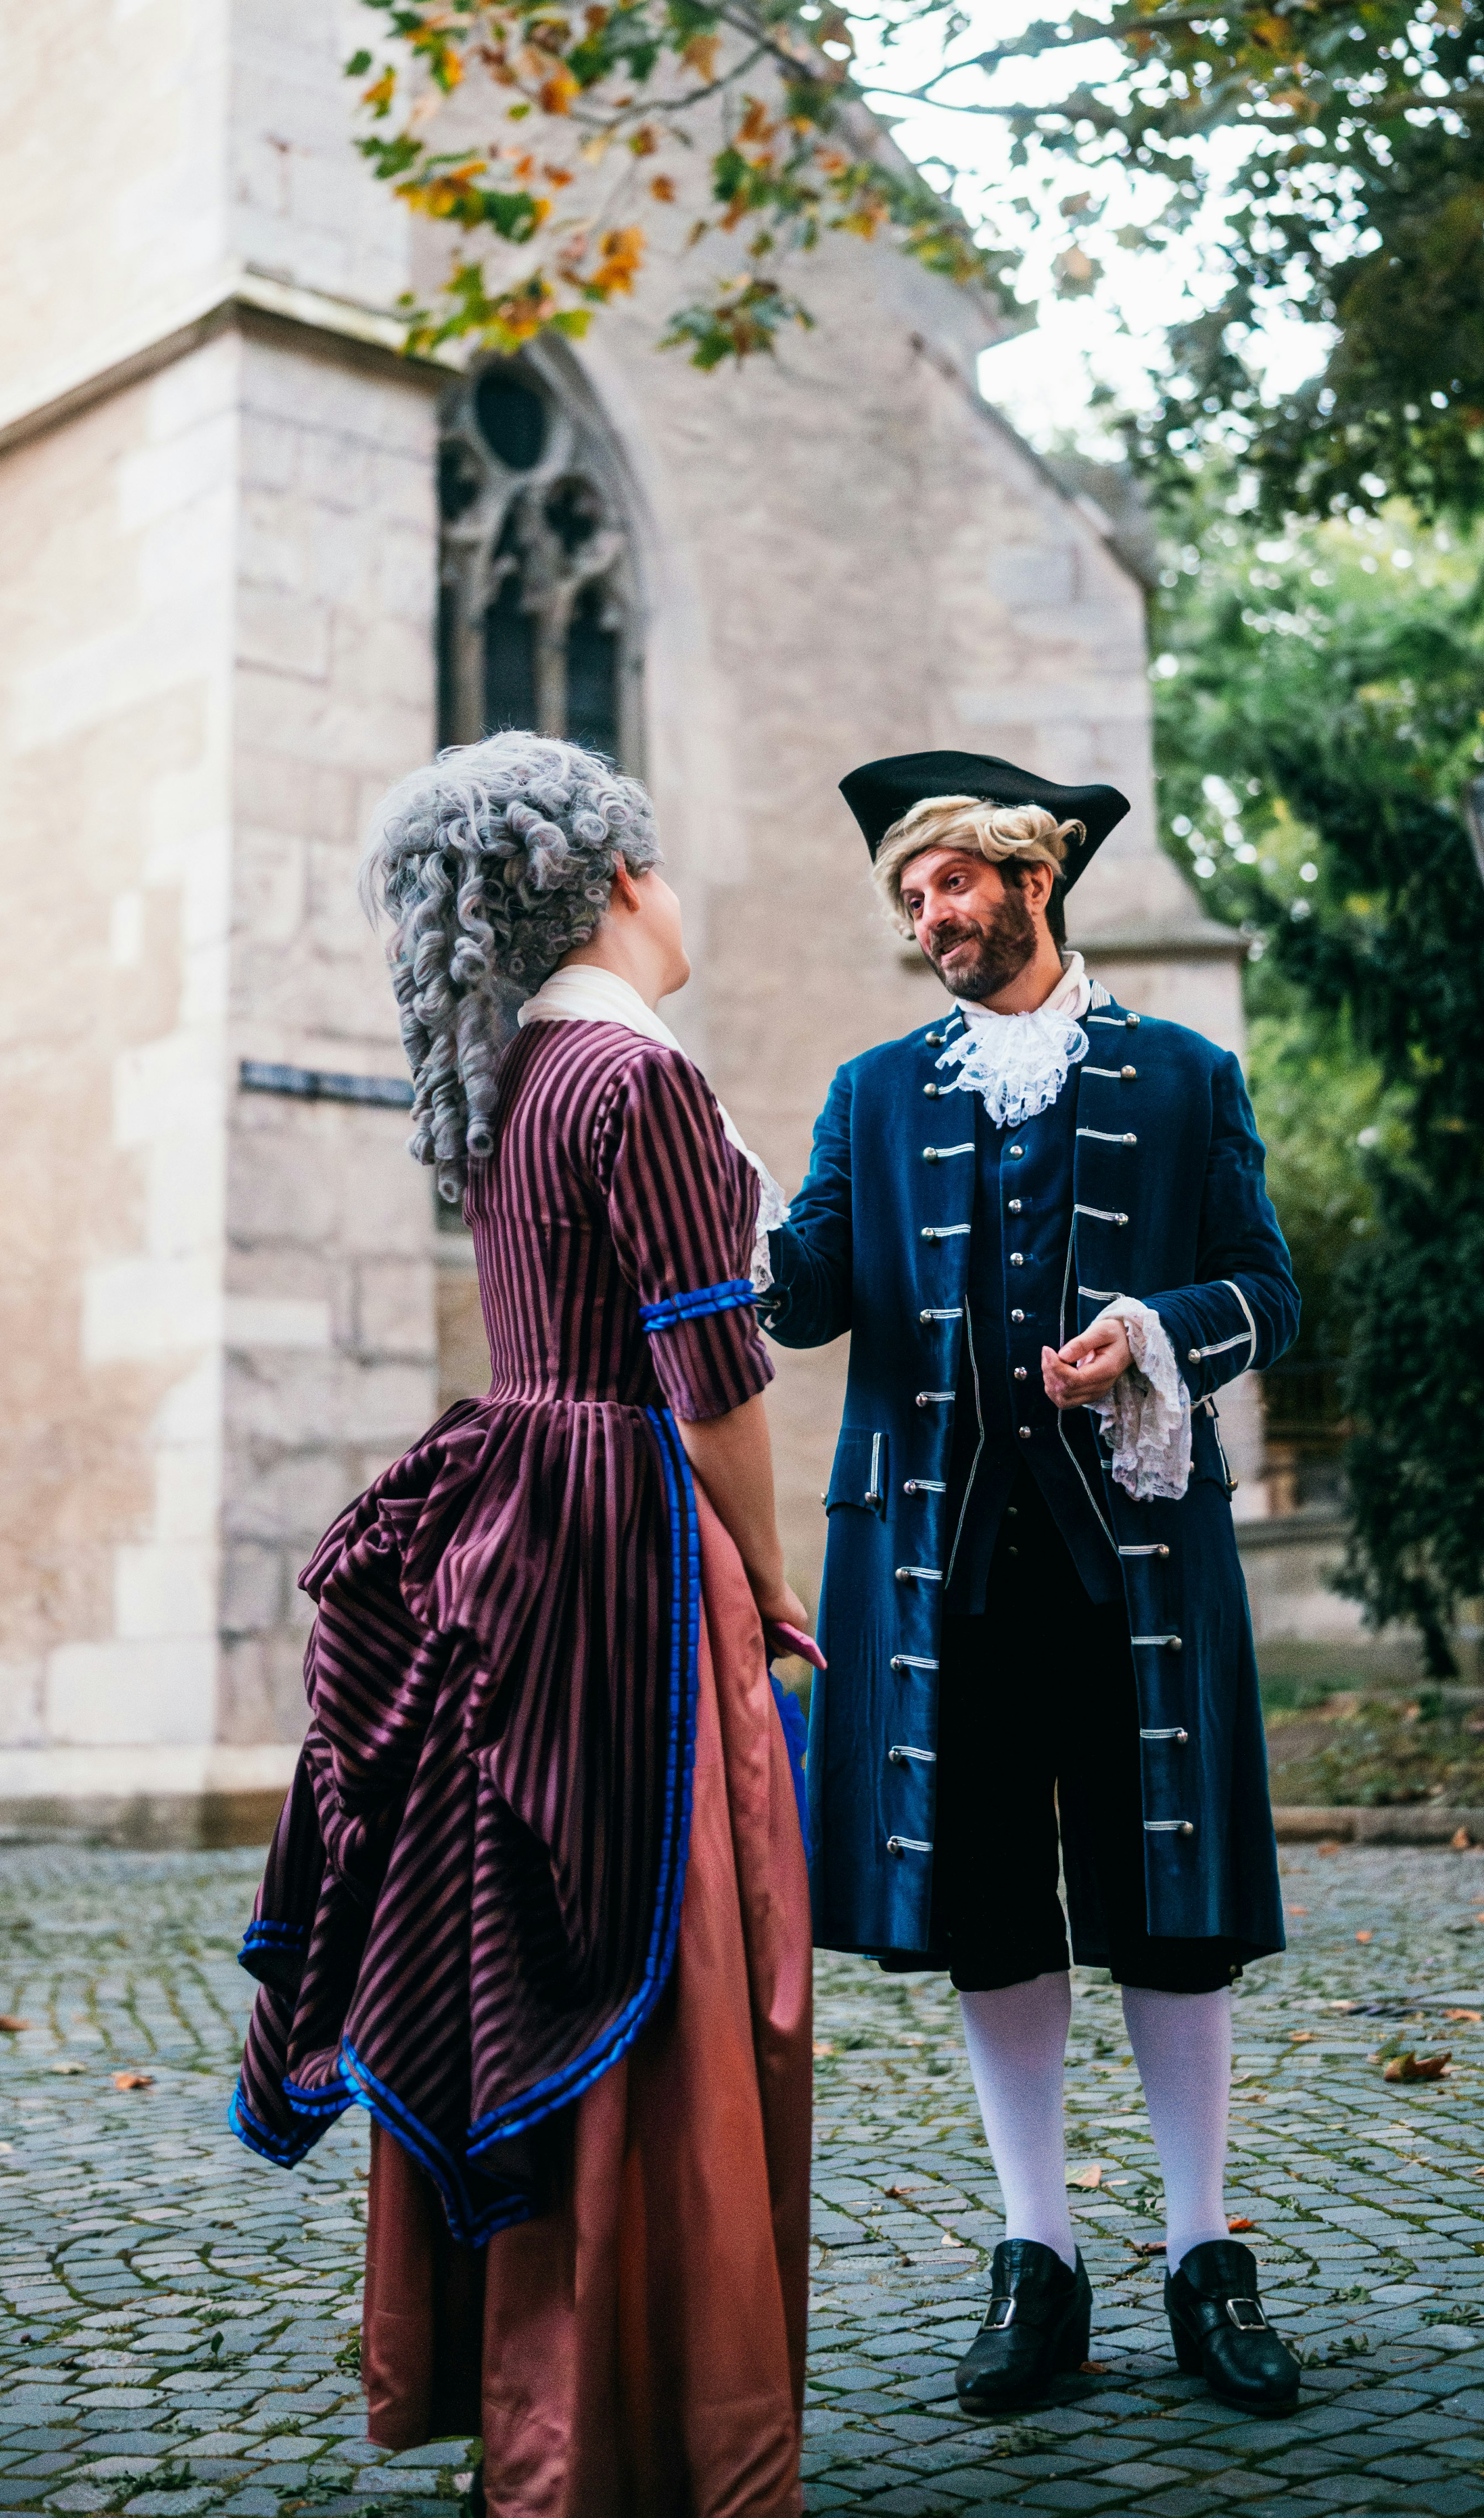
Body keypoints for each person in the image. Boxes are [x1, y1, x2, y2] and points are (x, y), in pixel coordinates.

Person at [229, 733, 814, 2518]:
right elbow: (715, 1380)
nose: (680, 889)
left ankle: (548, 2404)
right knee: (686, 1979)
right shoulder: (636, 1086)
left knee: (520, 1951)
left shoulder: (513, 1083)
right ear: (620, 879)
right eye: (666, 859)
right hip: (628, 1552)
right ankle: (654, 2422)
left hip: (513, 1531)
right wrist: (775, 1582)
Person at [761, 750, 1301, 2417]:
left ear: (1031, 880)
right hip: (939, 1566)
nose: (929, 918)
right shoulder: (870, 1093)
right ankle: (1038, 2253)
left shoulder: (1188, 1076)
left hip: (1136, 1562)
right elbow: (801, 1305)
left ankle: (1205, 2250)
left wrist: (1153, 1336)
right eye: (910, 898)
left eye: (951, 888)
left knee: (1167, 1906)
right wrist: (717, 1202)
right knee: (993, 1902)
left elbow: (1267, 1295)